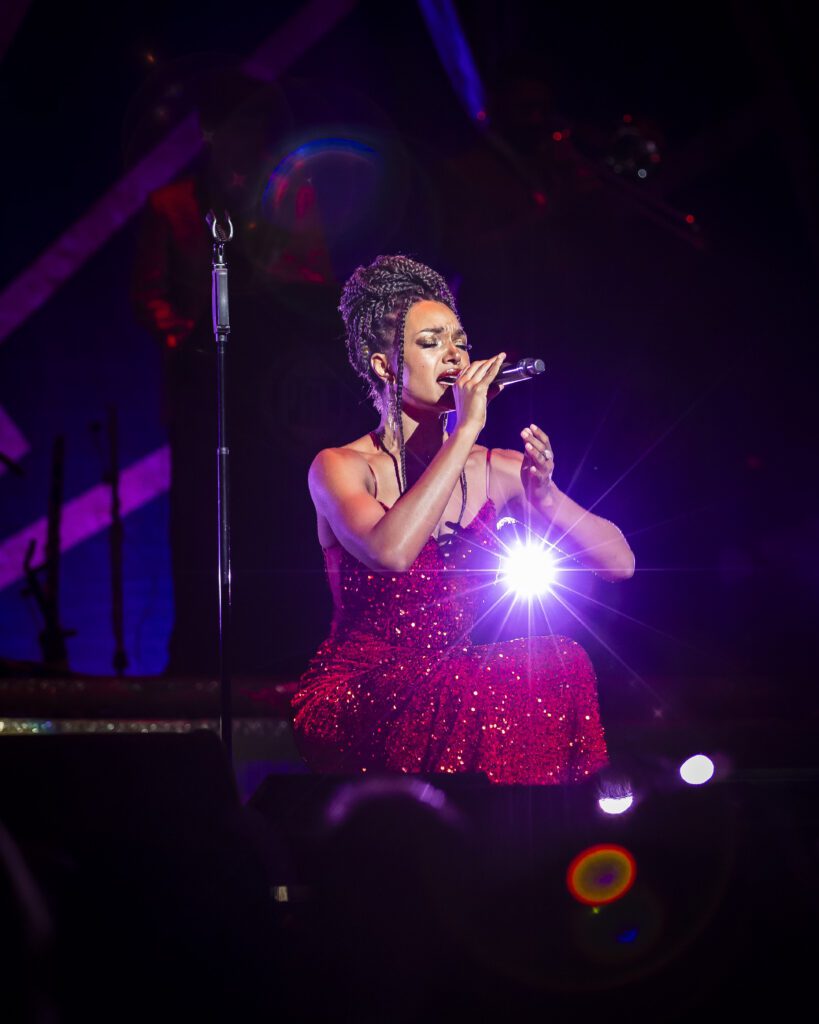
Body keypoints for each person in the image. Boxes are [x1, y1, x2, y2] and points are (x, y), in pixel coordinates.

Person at [291, 255, 634, 784]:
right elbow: (392, 552)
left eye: (460, 341)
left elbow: (619, 565)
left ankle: (526, 841)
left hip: (457, 681)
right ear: (385, 365)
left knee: (559, 660)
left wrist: (544, 499)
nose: (453, 355)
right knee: (486, 680)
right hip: (362, 690)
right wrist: (465, 430)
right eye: (430, 343)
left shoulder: (492, 467)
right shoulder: (340, 467)